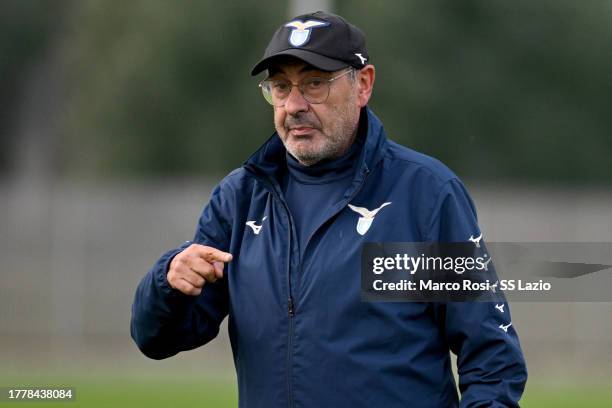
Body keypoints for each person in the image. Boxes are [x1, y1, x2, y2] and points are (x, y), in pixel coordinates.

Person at [131, 11, 527, 407]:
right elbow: (160, 339)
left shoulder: (425, 195)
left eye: (315, 84)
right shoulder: (240, 198)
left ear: (363, 85)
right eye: (281, 87)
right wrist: (169, 281)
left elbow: (491, 357)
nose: (294, 105)